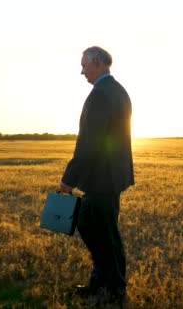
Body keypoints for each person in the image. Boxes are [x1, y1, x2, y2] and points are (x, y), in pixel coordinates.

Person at [60, 46, 134, 304]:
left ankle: (111, 287)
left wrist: (68, 180)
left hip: (102, 177)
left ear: (98, 62)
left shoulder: (101, 94)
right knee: (104, 231)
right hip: (113, 176)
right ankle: (106, 283)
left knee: (98, 229)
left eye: (84, 65)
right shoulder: (118, 90)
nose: (81, 72)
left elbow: (89, 142)